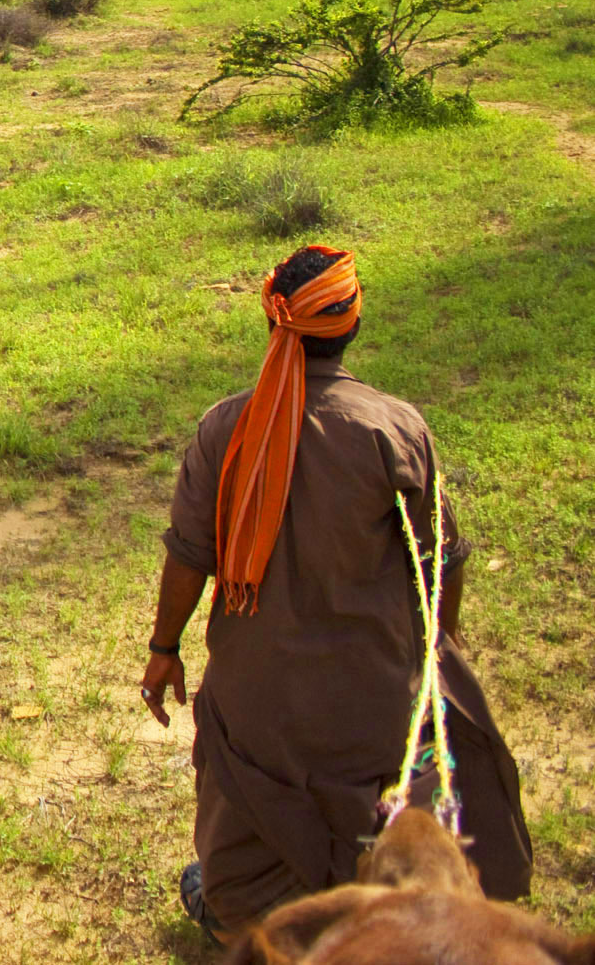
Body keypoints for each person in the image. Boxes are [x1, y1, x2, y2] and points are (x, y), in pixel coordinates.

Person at [139, 245, 531, 941]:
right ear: (352, 324)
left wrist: (164, 648)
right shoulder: (393, 429)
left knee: (223, 888)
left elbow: (187, 557)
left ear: (271, 320)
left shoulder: (223, 428)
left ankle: (239, 909)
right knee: (402, 799)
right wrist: (438, 642)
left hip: (256, 714)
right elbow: (442, 558)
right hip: (372, 706)